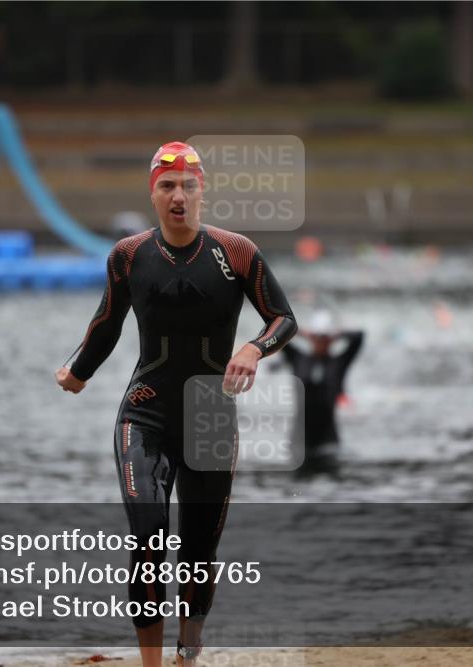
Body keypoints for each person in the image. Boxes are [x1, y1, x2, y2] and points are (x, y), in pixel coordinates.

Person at [55, 141, 297, 667]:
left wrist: (254, 349)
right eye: (168, 186)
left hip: (210, 418)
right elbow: (105, 325)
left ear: (201, 190)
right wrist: (78, 371)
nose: (178, 196)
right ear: (153, 193)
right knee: (147, 540)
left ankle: (188, 653)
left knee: (199, 551)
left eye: (188, 185)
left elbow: (284, 319)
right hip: (144, 412)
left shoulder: (236, 252)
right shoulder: (128, 255)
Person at [281, 309, 364, 469]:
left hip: (328, 438)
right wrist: (303, 333)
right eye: (318, 338)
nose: (321, 342)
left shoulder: (339, 363)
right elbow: (277, 334)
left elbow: (359, 337)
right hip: (300, 438)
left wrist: (338, 334)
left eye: (325, 338)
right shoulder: (298, 359)